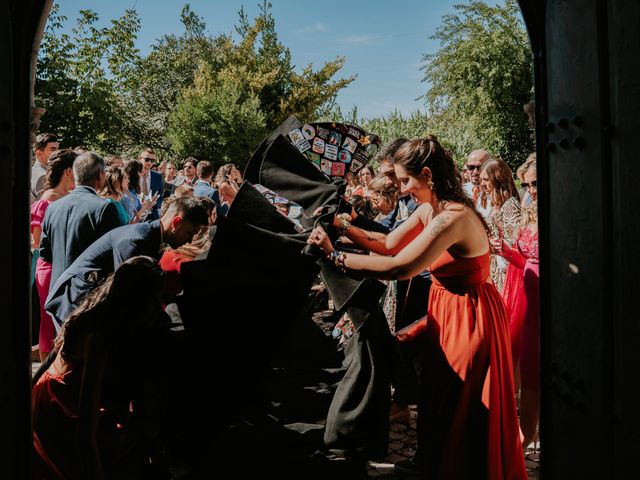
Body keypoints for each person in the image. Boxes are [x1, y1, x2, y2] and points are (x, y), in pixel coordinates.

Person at [307, 136, 526, 479]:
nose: (402, 189)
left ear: (426, 174)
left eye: (405, 180)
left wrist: (334, 255)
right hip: (447, 310)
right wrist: (341, 225)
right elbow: (390, 243)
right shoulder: (430, 209)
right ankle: (435, 463)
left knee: (458, 404)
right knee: (438, 397)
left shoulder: (452, 217)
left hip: (469, 317)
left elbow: (401, 267)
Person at [32, 256, 169, 480]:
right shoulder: (99, 338)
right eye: (154, 300)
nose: (159, 308)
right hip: (56, 416)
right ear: (134, 301)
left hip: (46, 405)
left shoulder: (91, 314)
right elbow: (85, 434)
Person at [45, 197, 209, 330]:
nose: (189, 240)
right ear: (176, 222)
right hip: (72, 299)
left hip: (89, 299)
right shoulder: (136, 240)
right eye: (189, 233)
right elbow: (128, 293)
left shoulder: (152, 237)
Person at [494, 154, 539, 450]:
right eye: (527, 186)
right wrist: (505, 251)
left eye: (534, 184)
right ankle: (525, 434)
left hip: (548, 300)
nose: (531, 191)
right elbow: (525, 261)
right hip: (528, 295)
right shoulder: (531, 210)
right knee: (529, 364)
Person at [39, 151, 121, 289]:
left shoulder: (53, 208)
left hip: (57, 290)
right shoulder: (105, 208)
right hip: (87, 292)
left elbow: (45, 253)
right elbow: (112, 256)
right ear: (101, 174)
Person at [31, 149, 77, 360]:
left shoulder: (70, 198)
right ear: (69, 171)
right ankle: (44, 375)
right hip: (49, 267)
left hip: (67, 265)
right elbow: (37, 241)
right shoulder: (48, 201)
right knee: (48, 321)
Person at [479, 157, 522, 293]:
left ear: (498, 180)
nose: (482, 184)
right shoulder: (495, 204)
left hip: (507, 272)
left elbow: (513, 243)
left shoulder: (510, 205)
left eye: (486, 180)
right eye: (481, 180)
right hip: (496, 267)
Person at [31, 132, 59, 204]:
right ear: (39, 153)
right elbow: (44, 207)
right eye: (53, 150)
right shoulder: (43, 176)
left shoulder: (32, 170)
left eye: (57, 149)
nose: (57, 153)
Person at [138, 148, 164, 220]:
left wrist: (154, 202)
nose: (150, 162)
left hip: (152, 215)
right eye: (147, 159)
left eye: (152, 160)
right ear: (140, 158)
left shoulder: (157, 176)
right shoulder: (133, 175)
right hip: (136, 213)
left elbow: (160, 196)